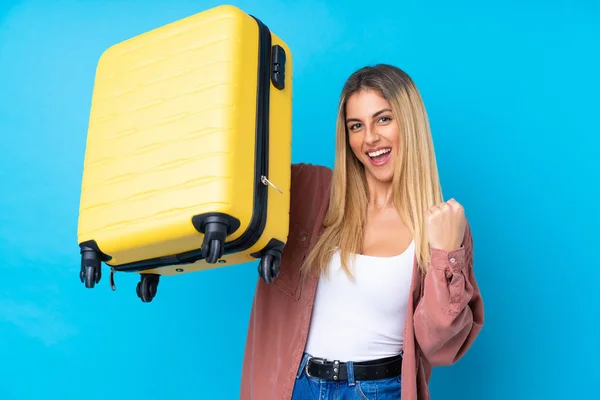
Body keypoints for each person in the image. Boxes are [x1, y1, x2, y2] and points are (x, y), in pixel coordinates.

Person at [240, 64, 484, 400]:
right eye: (357, 125)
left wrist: (445, 257)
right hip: (297, 387)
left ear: (409, 122)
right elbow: (239, 176)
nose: (370, 138)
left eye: (383, 119)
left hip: (379, 390)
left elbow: (441, 348)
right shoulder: (310, 191)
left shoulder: (443, 223)